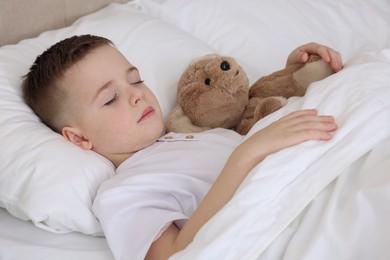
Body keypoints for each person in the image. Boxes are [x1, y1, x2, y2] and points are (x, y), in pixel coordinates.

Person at [22, 34, 341, 259]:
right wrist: (246, 155)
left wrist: (292, 73)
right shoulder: (122, 194)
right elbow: (174, 254)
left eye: (134, 80)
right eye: (110, 98)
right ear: (78, 138)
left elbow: (253, 113)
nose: (137, 95)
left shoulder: (191, 129)